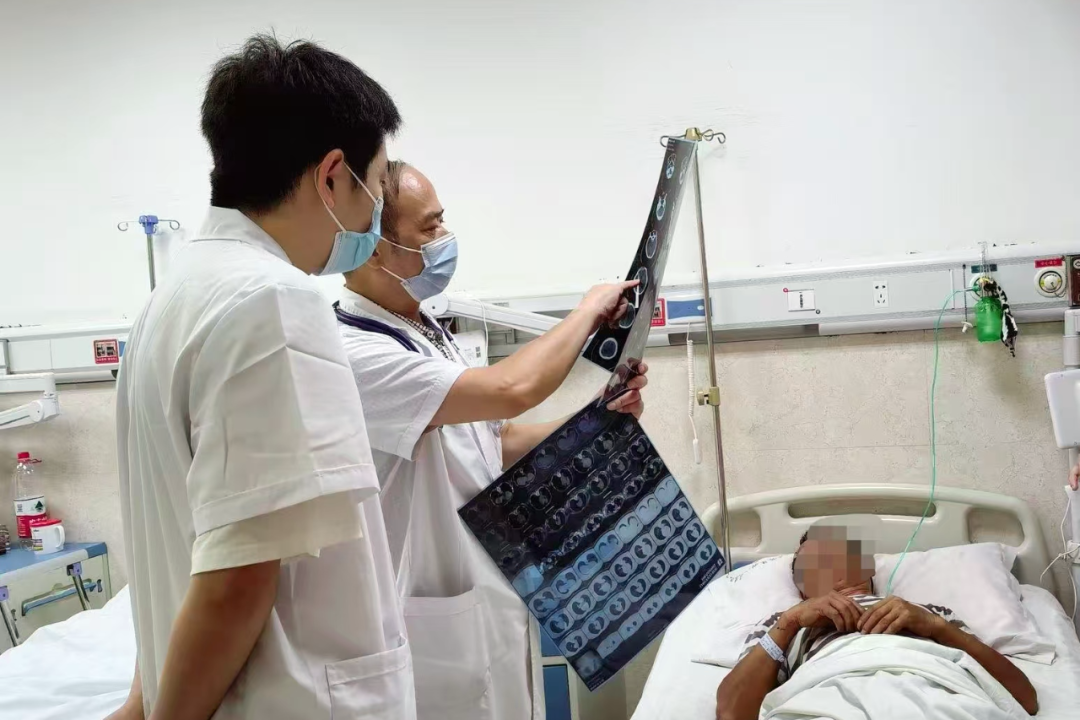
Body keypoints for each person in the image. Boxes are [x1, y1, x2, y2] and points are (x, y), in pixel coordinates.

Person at [108, 37, 417, 720]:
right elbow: (235, 582)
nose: (374, 214)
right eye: (374, 185)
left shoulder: (173, 296)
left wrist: (141, 705)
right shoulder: (273, 301)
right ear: (332, 176)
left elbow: (187, 544)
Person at [333, 160, 647, 720]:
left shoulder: (424, 329)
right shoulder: (356, 352)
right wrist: (585, 313)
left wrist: (599, 417)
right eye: (429, 227)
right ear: (377, 249)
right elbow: (511, 390)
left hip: (488, 592)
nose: (445, 237)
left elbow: (490, 442)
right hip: (432, 615)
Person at [714, 526, 1039, 719]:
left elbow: (1024, 698)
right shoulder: (785, 627)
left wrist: (935, 627)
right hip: (829, 698)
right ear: (801, 588)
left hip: (935, 695)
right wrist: (790, 622)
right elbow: (731, 712)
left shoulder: (928, 613)